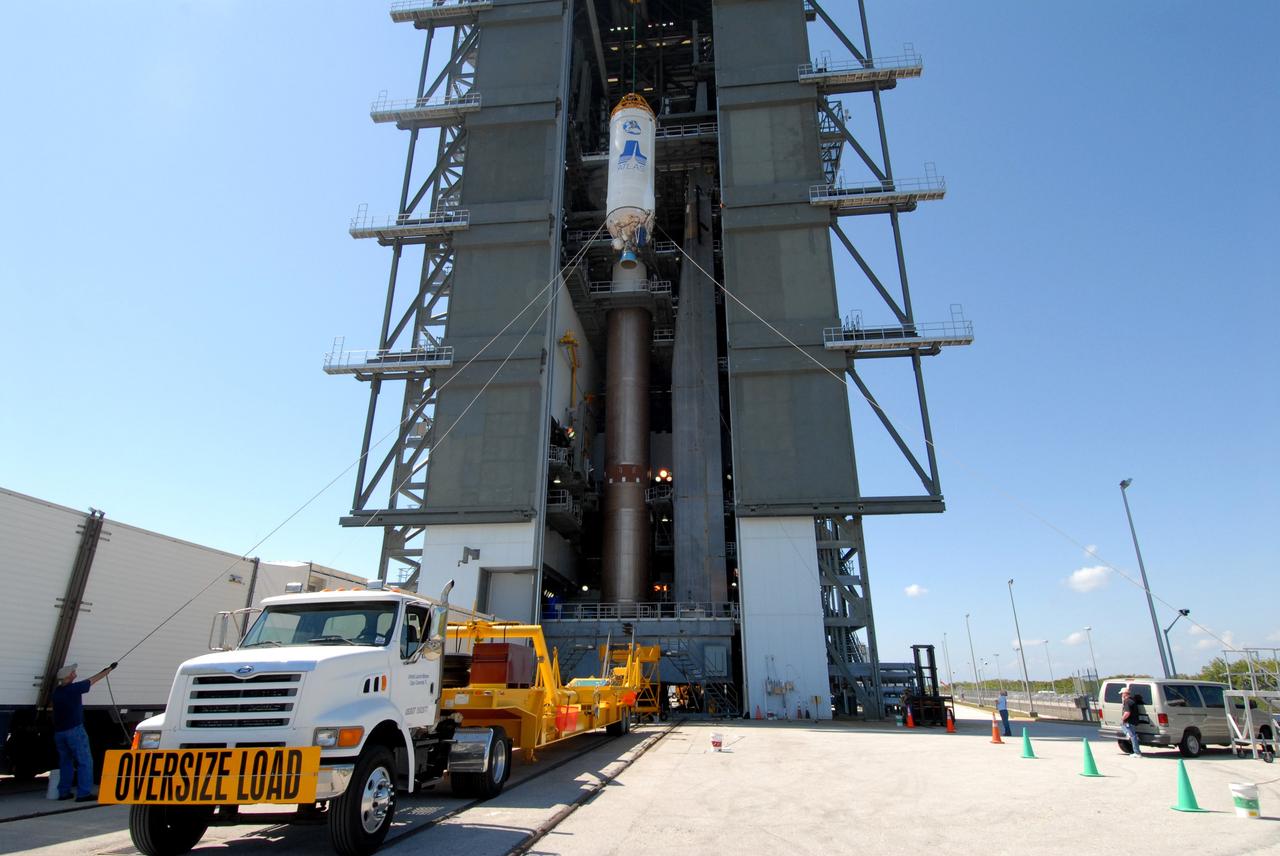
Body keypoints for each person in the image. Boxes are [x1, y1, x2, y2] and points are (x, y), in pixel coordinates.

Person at [51, 661, 117, 801]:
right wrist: (107, 670)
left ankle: (63, 792)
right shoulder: (74, 689)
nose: (74, 673)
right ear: (68, 677)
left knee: (65, 762)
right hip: (74, 731)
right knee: (85, 761)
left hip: (59, 732)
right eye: (72, 672)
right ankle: (83, 793)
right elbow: (92, 680)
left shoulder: (57, 692)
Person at [1120, 686, 1142, 757]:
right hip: (1133, 721)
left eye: (1122, 694)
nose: (1121, 695)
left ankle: (1137, 752)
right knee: (1123, 726)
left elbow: (1127, 713)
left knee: (1133, 736)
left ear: (1125, 694)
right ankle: (1129, 735)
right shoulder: (1132, 700)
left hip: (1129, 722)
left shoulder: (1127, 702)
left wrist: (1122, 718)